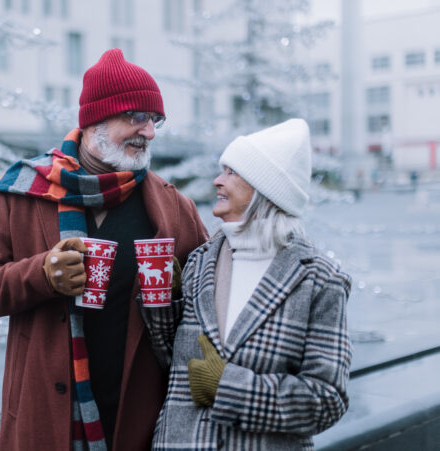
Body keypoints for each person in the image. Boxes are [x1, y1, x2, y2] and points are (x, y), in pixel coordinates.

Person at [0, 48, 208, 451]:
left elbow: (211, 305)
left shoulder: (173, 207)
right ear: (94, 120)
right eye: (136, 117)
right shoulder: (24, 192)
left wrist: (182, 294)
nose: (149, 132)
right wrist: (42, 274)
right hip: (46, 418)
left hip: (143, 421)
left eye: (155, 120)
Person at [144, 119, 352, 450]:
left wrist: (229, 388)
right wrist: (164, 299)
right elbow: (179, 367)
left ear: (262, 187)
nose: (217, 180)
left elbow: (327, 400)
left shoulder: (318, 280)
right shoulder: (201, 261)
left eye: (230, 172)